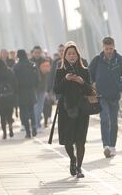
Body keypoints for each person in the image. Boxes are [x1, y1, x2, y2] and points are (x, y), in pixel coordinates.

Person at [53, 42, 93, 178]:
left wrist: (82, 82)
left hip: (82, 109)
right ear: (65, 56)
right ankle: (72, 159)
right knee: (68, 141)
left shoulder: (85, 70)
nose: (71, 56)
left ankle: (79, 168)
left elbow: (90, 90)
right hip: (66, 109)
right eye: (69, 54)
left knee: (81, 140)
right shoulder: (60, 71)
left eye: (74, 54)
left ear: (78, 56)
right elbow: (56, 90)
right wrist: (65, 79)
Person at [89, 37, 122, 158]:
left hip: (114, 96)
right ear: (103, 47)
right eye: (106, 49)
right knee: (104, 118)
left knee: (114, 121)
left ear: (114, 46)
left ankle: (112, 146)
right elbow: (89, 74)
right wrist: (92, 83)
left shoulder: (120, 60)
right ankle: (106, 145)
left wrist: (120, 87)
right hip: (101, 95)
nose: (109, 51)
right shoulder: (97, 60)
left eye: (111, 48)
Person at [14, 50, 39, 138]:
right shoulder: (32, 64)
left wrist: (15, 92)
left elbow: (14, 81)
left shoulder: (16, 67)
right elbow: (37, 78)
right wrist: (35, 86)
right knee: (32, 110)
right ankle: (34, 126)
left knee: (24, 112)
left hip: (21, 92)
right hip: (31, 90)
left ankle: (28, 132)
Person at [30, 46, 49, 130]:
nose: (37, 54)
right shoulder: (29, 62)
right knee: (35, 106)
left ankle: (37, 123)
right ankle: (37, 124)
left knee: (40, 107)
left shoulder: (44, 61)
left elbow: (47, 71)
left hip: (42, 87)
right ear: (33, 53)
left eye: (38, 52)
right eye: (35, 52)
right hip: (33, 88)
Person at [43, 56, 54, 128]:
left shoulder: (51, 71)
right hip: (43, 91)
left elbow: (53, 80)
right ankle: (45, 120)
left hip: (50, 90)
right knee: (44, 106)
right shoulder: (42, 70)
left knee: (49, 104)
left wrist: (50, 91)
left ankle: (49, 117)